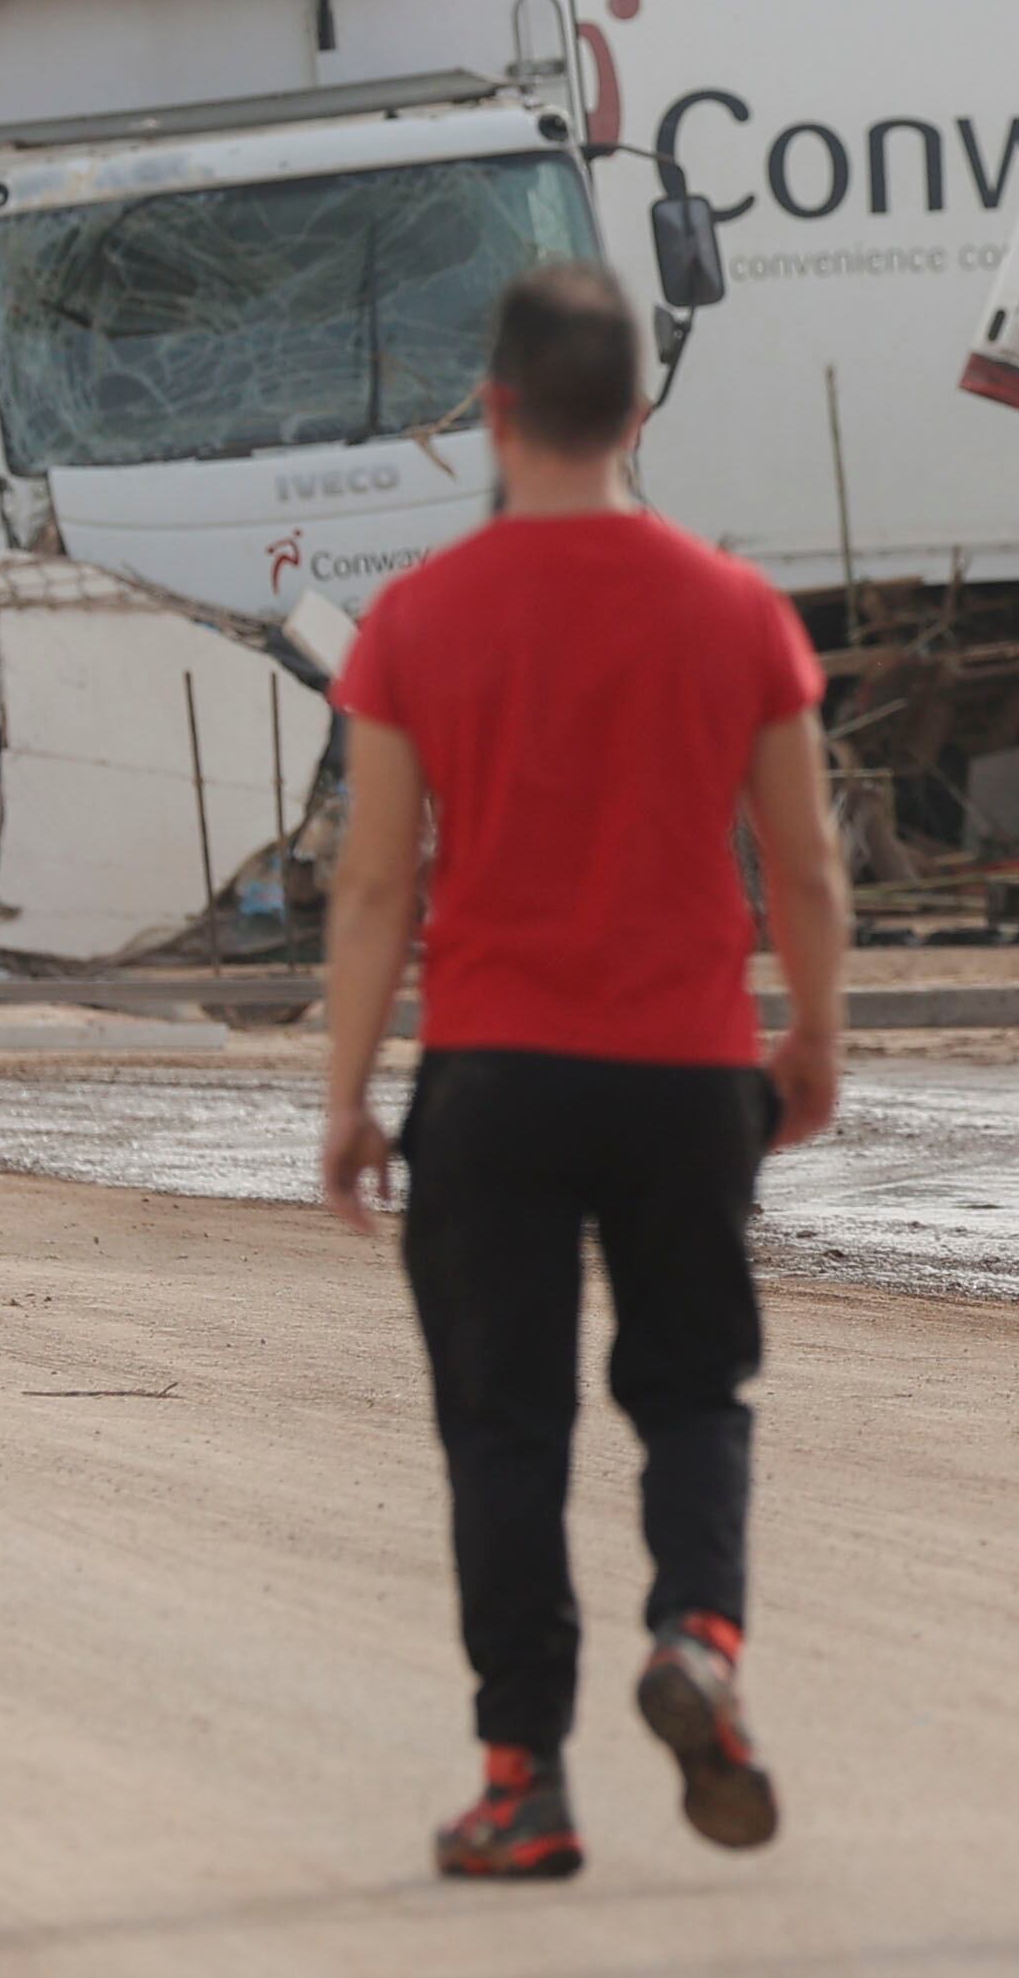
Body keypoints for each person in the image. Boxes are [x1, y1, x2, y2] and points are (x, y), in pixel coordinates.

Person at [316, 260, 849, 1883]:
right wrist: (813, 1035)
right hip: (685, 1072)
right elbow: (805, 861)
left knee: (505, 1433)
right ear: (637, 410)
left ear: (492, 411)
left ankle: (521, 1779)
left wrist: (345, 1092)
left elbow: (376, 883)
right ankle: (698, 1633)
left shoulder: (416, 619)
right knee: (694, 1388)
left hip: (495, 1078)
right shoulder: (735, 607)